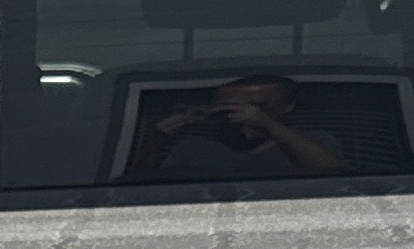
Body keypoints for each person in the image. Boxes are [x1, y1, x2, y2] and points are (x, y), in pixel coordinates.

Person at [140, 75, 344, 181]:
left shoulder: (314, 142)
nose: (245, 114)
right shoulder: (194, 148)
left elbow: (335, 179)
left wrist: (267, 125)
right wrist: (154, 143)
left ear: (288, 106)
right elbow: (149, 190)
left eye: (258, 107)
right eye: (231, 108)